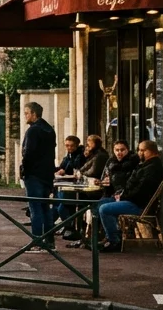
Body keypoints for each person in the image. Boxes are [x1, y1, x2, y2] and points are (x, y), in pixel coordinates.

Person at [92, 140, 163, 252]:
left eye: (142, 150)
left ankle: (114, 240)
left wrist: (122, 197)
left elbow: (141, 191)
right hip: (133, 200)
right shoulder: (146, 165)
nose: (139, 153)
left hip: (139, 205)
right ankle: (106, 236)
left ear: (151, 151)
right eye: (139, 150)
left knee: (104, 209)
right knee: (99, 203)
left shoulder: (152, 168)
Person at [19, 102, 57, 250]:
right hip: (47, 173)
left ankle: (37, 242)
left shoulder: (33, 131)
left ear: (34, 114)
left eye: (27, 113)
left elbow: (28, 153)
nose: (25, 116)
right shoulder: (49, 130)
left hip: (34, 174)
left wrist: (24, 170)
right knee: (45, 207)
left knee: (35, 208)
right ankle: (49, 241)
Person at [58, 135, 109, 240]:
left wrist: (80, 173)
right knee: (63, 201)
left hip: (95, 189)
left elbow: (92, 171)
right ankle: (73, 229)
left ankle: (76, 230)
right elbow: (79, 168)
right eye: (87, 142)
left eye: (90, 142)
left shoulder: (99, 156)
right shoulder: (92, 155)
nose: (87, 145)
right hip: (88, 187)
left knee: (69, 204)